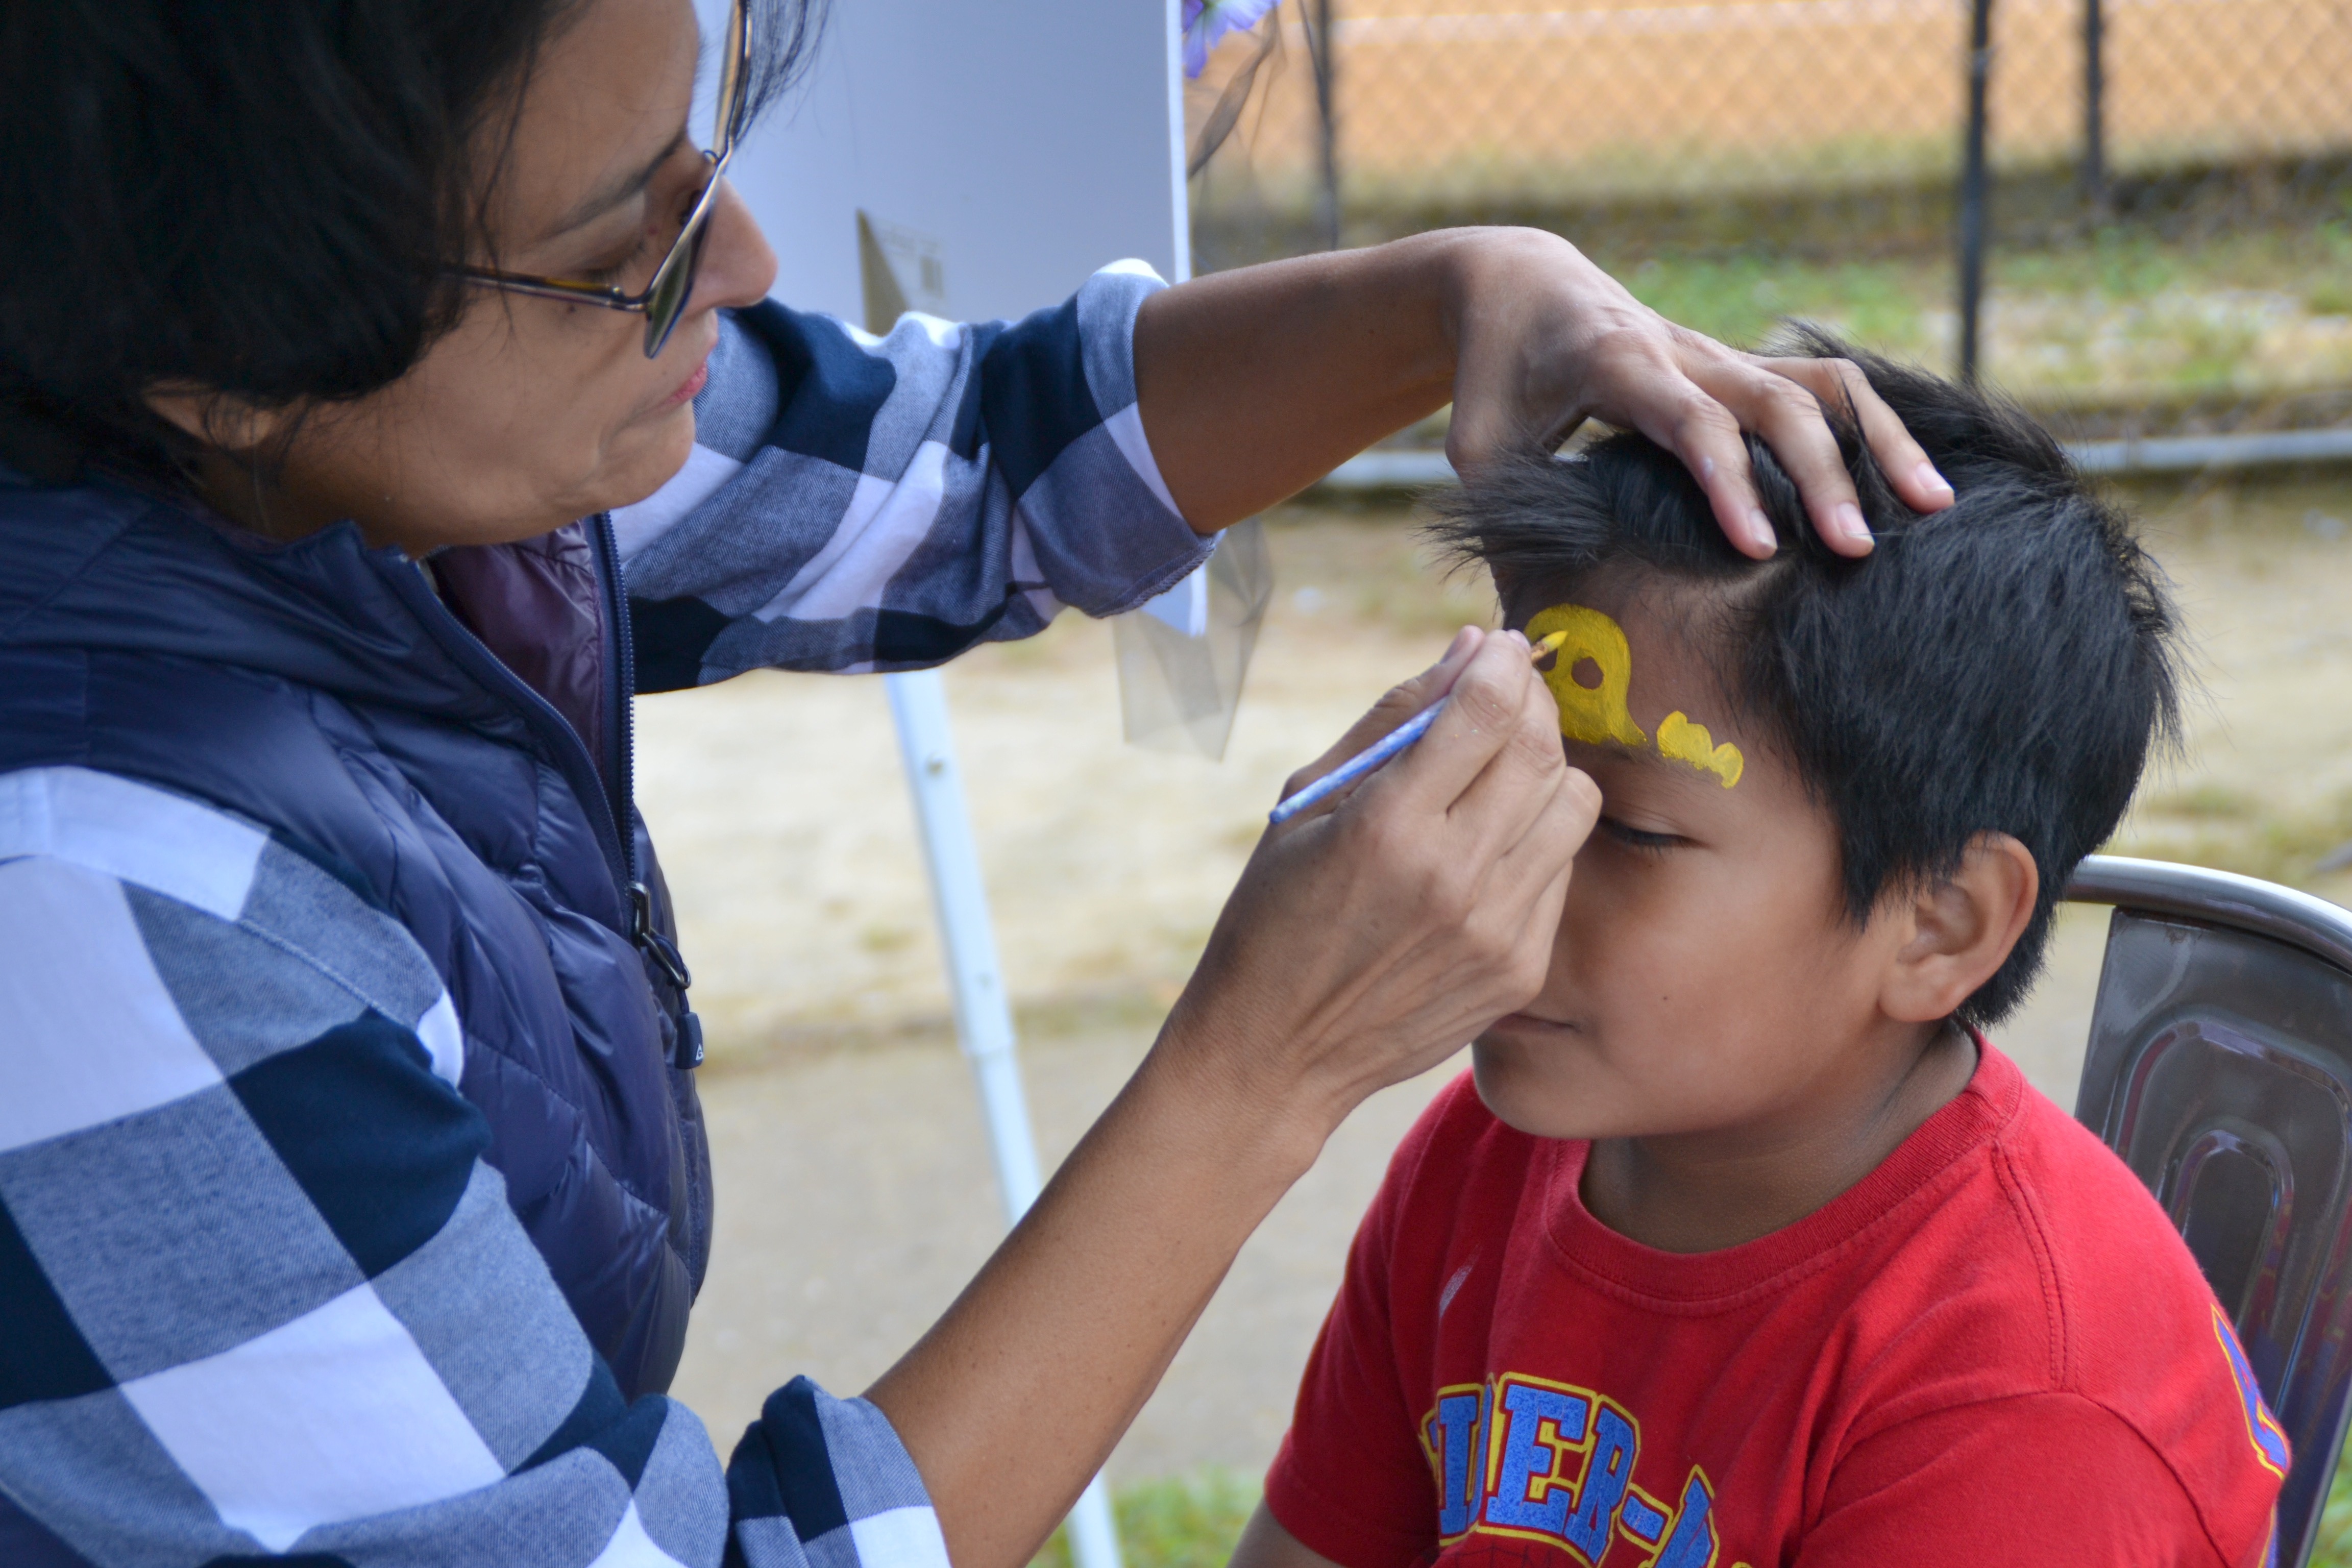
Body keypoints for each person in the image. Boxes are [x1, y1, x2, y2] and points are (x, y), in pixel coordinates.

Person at [0, 3, 1954, 1565]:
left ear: (1952, 917)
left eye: (709, 159)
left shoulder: (395, 427)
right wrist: (1250, 1070)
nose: (743, 261)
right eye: (632, 248)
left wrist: (1449, 293)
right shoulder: (92, 908)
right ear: (225, 358)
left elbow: (962, 469)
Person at [1239, 342, 2288, 1568]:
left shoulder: (2023, 1400)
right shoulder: (1487, 1162)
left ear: (1938, 920)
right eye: (1510, 775)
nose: (1502, 866)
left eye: (1629, 830)